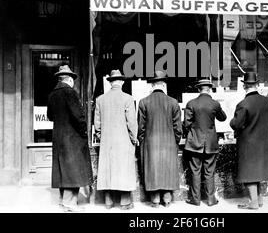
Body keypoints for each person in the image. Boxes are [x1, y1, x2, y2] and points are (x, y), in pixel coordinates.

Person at [229, 72, 268, 210]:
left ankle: (253, 203)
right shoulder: (267, 102)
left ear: (244, 86)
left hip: (247, 145)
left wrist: (231, 122)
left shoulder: (243, 104)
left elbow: (237, 124)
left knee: (249, 173)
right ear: (257, 85)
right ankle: (259, 201)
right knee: (258, 172)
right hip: (263, 145)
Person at [47, 65, 93, 212]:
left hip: (58, 137)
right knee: (73, 170)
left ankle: (63, 201)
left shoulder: (52, 94)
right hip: (72, 138)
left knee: (63, 169)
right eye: (72, 79)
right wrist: (84, 132)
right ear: (69, 80)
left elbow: (49, 116)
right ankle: (70, 204)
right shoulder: (70, 92)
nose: (73, 82)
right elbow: (79, 117)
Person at [94, 69, 138, 210]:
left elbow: (97, 124)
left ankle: (108, 202)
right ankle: (125, 202)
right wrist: (133, 139)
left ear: (111, 82)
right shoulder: (128, 98)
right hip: (124, 141)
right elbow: (132, 123)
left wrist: (102, 136)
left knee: (108, 170)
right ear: (122, 82)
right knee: (124, 170)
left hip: (107, 141)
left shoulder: (100, 99)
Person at [137, 70, 182, 208]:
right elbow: (178, 128)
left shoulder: (143, 102)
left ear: (152, 86)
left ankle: (155, 200)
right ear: (163, 85)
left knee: (153, 170)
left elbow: (141, 127)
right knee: (167, 169)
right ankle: (167, 199)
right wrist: (175, 140)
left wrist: (143, 141)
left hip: (150, 143)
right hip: (169, 143)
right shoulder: (173, 102)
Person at [183, 79, 227, 206]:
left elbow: (187, 124)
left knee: (195, 171)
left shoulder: (191, 103)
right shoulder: (214, 104)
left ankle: (195, 200)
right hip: (211, 144)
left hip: (194, 143)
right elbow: (223, 118)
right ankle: (211, 199)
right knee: (209, 172)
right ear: (210, 89)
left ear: (198, 89)